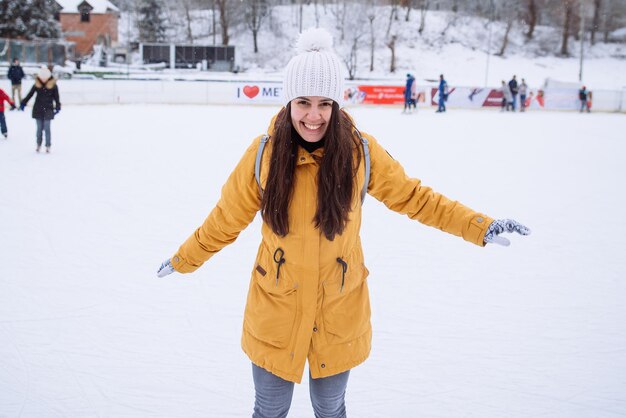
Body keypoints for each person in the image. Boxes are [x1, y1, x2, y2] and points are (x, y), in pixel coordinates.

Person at [156, 28, 530, 418]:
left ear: (337, 104)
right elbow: (224, 220)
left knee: (330, 408)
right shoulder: (263, 155)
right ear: (288, 103)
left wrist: (478, 225)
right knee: (269, 410)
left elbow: (416, 198)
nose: (313, 116)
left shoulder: (359, 153)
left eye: (324, 103)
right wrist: (185, 258)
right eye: (303, 102)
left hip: (338, 309)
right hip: (275, 308)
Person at [20, 66, 61, 153]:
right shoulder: (37, 85)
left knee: (47, 128)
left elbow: (56, 98)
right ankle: (38, 144)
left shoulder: (53, 85)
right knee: (39, 128)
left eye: (45, 78)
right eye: (42, 77)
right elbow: (30, 94)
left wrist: (58, 107)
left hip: (49, 109)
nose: (43, 79)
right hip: (38, 109)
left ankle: (48, 145)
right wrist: (23, 102)